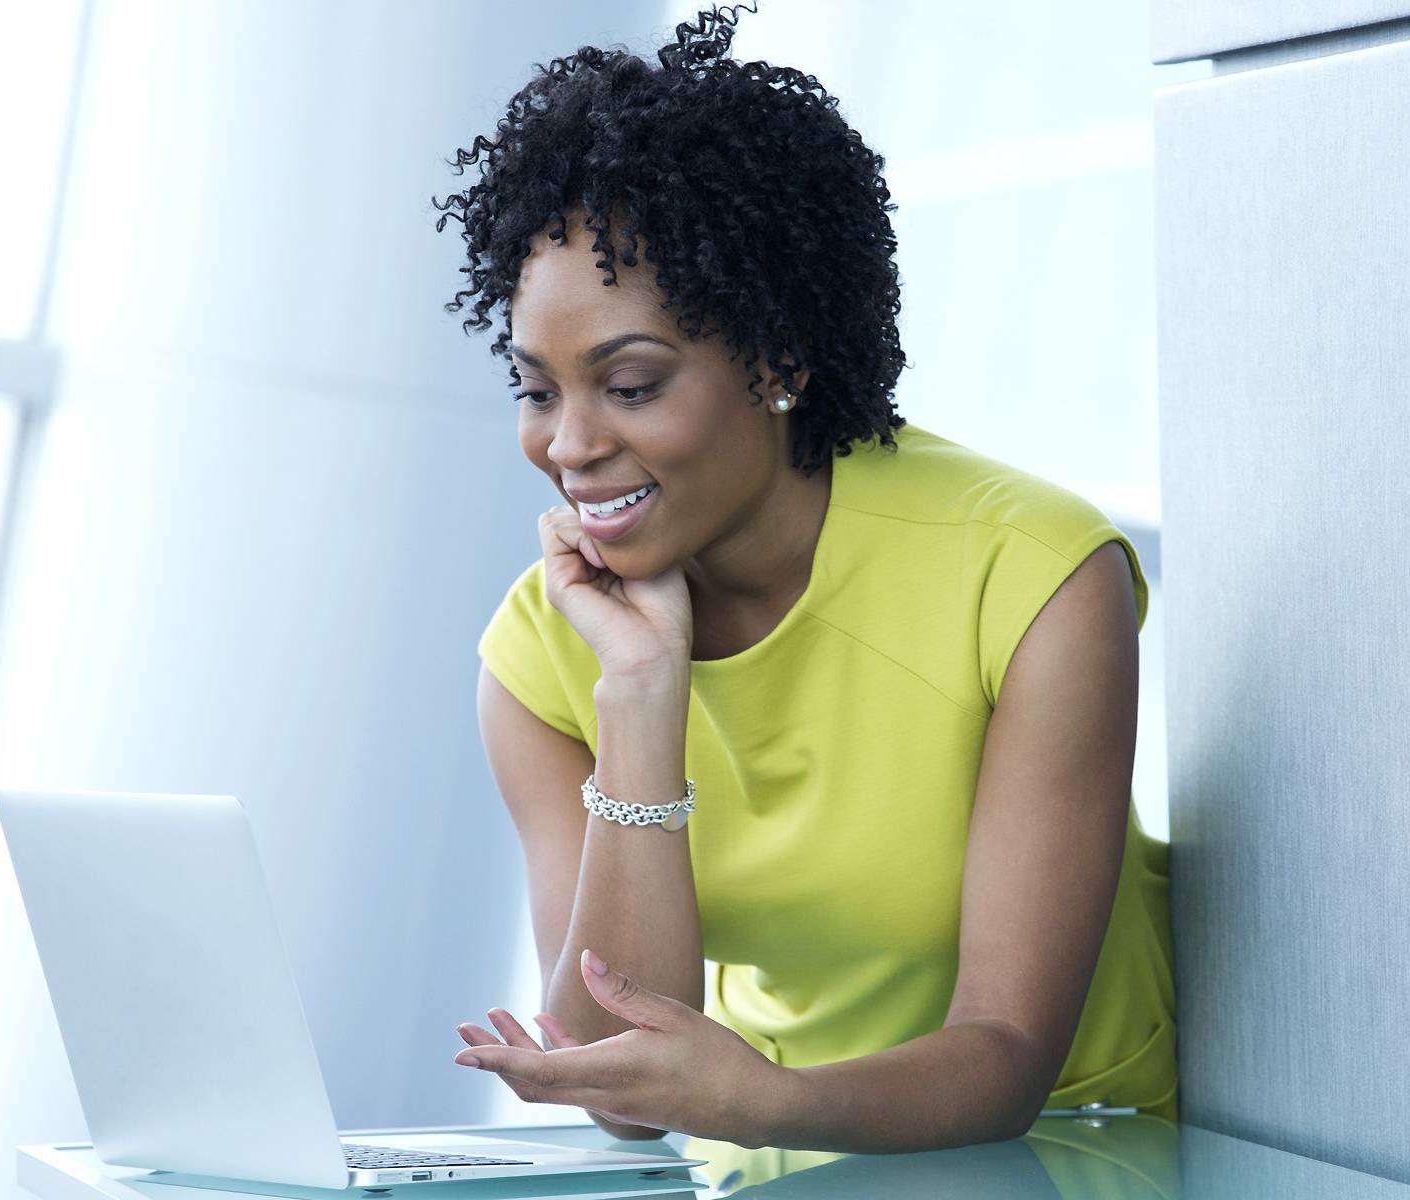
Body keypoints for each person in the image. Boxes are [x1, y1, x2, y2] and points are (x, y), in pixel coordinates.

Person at [428, 2, 1174, 1181]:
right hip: (783, 1163)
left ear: (777, 358)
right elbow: (618, 1086)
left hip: (1088, 1158)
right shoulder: (548, 650)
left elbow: (1009, 1054)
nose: (568, 446)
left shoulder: (1029, 575)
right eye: (536, 390)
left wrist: (763, 1099)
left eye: (630, 385)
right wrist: (640, 700)